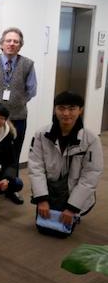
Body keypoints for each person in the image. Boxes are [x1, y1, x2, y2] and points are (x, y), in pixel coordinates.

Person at [29, 91, 103, 236]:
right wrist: (42, 199)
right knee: (44, 228)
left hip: (72, 190)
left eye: (72, 108)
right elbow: (35, 168)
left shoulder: (91, 139)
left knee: (62, 232)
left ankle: (75, 211)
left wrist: (72, 207)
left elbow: (91, 175)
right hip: (50, 189)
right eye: (61, 108)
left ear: (80, 110)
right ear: (55, 109)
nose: (66, 113)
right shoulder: (41, 134)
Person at [0, 27, 37, 205]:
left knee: (14, 153)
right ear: (1, 44)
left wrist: (17, 101)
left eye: (16, 41)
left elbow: (32, 90)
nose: (12, 44)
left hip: (17, 117)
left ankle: (11, 187)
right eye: (8, 41)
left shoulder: (28, 64)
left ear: (20, 46)